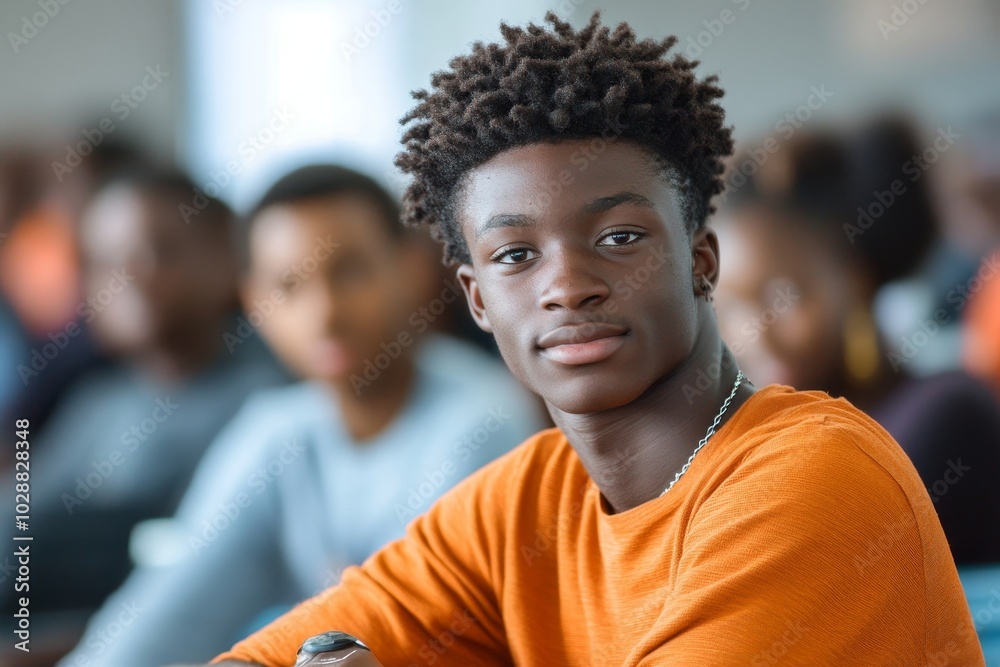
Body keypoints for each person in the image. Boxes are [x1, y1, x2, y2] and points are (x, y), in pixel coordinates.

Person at [208, 14, 983, 666]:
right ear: (476, 300)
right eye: (516, 255)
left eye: (617, 236)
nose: (566, 284)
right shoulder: (521, 505)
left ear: (702, 260)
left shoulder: (812, 476)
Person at [58, 165, 545, 667]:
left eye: (351, 271)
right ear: (254, 302)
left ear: (413, 269)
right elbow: (164, 613)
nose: (324, 313)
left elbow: (406, 620)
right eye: (289, 286)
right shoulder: (277, 433)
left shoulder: (482, 420)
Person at [0, 167, 289, 623]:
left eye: (155, 252)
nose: (125, 278)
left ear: (225, 258)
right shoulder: (98, 401)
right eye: (103, 261)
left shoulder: (270, 401)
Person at [714, 120, 1000, 565]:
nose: (757, 333)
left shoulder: (946, 413)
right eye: (729, 307)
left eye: (783, 297)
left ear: (855, 279)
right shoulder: (763, 440)